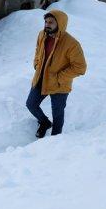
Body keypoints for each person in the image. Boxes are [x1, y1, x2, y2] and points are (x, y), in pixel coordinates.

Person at [26, 10, 86, 138]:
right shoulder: (42, 34)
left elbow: (80, 67)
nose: (47, 25)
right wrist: (36, 64)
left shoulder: (72, 44)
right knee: (31, 104)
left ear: (60, 23)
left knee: (57, 114)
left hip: (60, 84)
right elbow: (38, 50)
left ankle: (55, 140)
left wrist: (59, 77)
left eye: (51, 22)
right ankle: (45, 122)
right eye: (46, 22)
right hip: (41, 78)